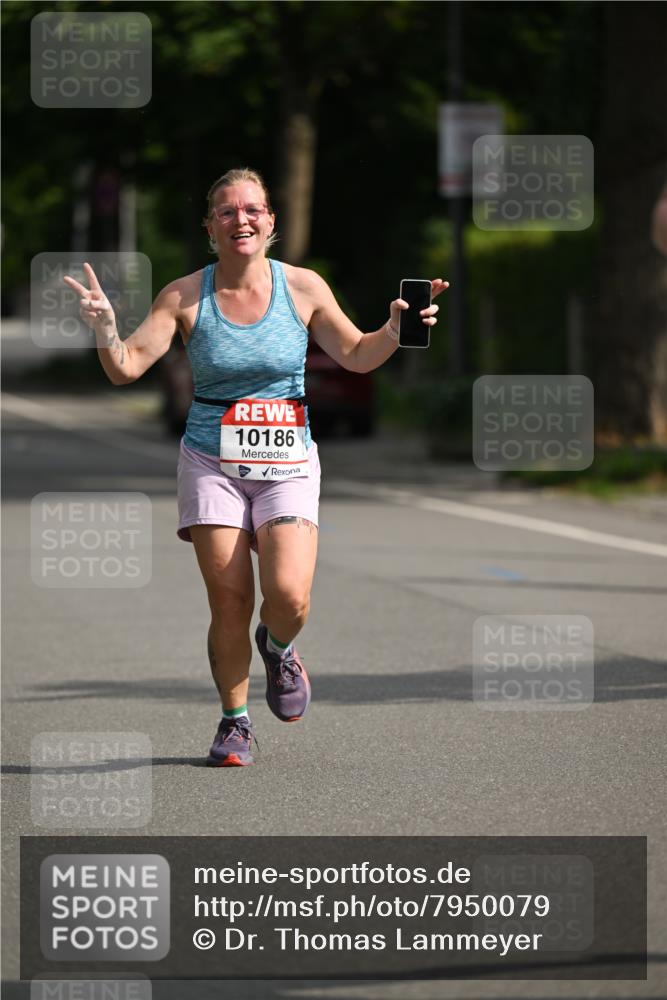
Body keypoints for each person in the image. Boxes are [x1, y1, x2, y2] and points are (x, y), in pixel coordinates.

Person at [64, 167, 449, 767]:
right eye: (226, 211)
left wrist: (395, 331)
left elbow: (355, 354)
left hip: (288, 460)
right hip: (210, 461)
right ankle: (234, 722)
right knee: (230, 600)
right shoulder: (184, 295)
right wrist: (106, 330)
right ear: (210, 227)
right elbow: (126, 368)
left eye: (252, 209)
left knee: (289, 596)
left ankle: (279, 645)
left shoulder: (302, 287)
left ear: (270, 221)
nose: (240, 219)